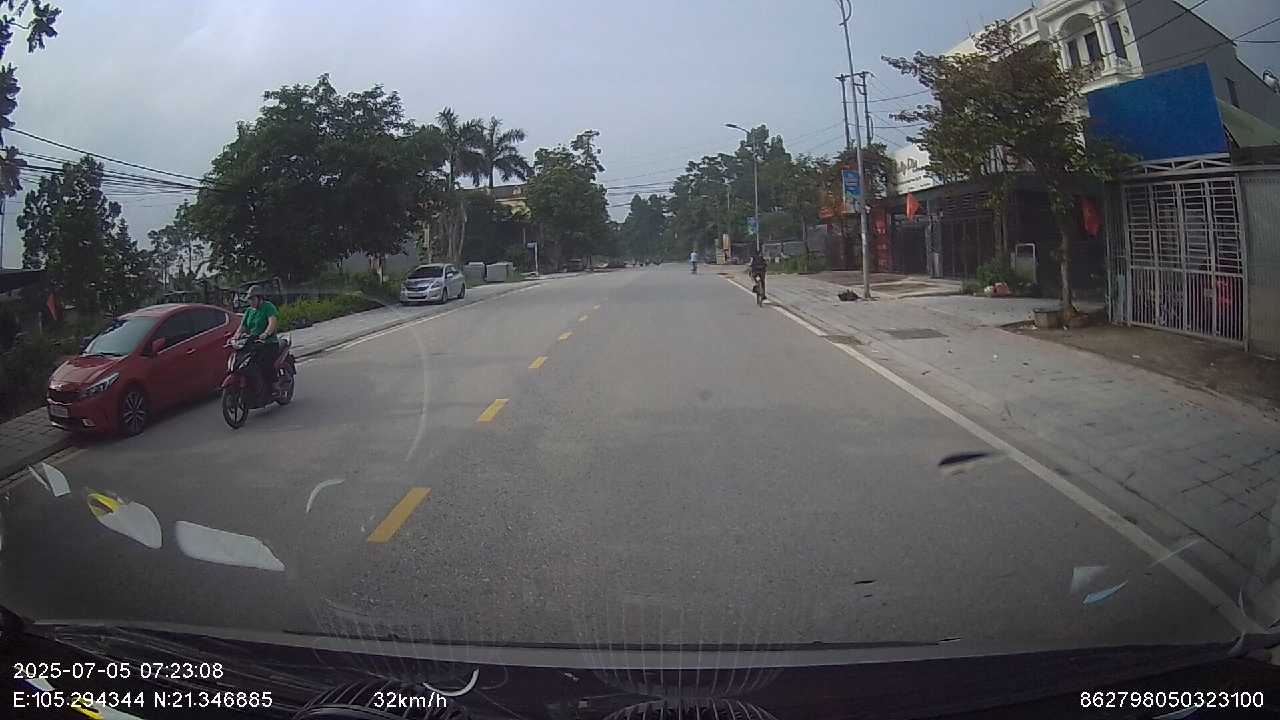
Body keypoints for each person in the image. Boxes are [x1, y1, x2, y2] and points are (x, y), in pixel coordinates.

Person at [236, 285, 280, 400]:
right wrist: (235, 337)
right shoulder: (249, 311)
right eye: (249, 299)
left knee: (264, 363)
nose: (251, 302)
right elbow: (242, 327)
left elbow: (272, 323)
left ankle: (275, 387)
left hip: (268, 343)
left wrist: (266, 333)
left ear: (260, 298)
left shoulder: (268, 307)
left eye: (253, 299)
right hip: (253, 343)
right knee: (244, 363)